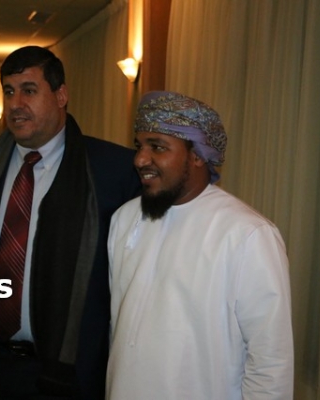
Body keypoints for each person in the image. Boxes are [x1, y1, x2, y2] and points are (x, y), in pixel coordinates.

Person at [0, 46, 140, 399]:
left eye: (29, 90)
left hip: (69, 372)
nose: (15, 104)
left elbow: (131, 281)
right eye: (9, 91)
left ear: (61, 95)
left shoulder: (113, 170)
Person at [106, 91, 294, 399]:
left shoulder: (248, 234)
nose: (140, 159)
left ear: (197, 156)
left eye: (157, 147)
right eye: (139, 146)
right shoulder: (124, 219)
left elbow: (270, 362)